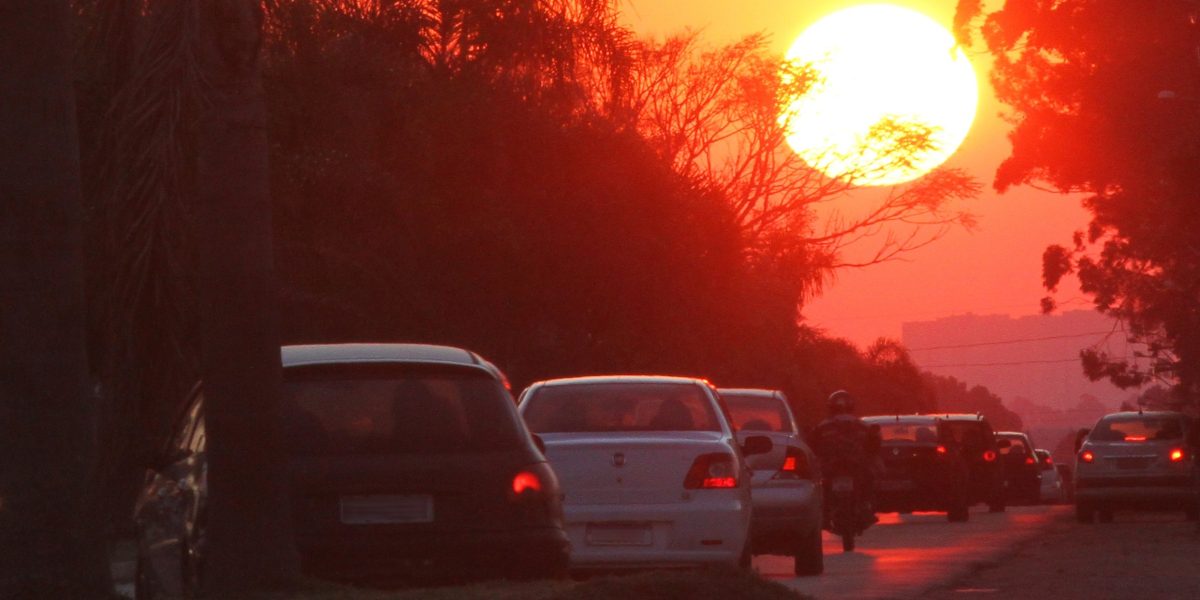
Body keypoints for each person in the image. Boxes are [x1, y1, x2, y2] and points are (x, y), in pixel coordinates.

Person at [811, 390, 880, 526]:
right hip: (846, 466)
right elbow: (874, 443)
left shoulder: (823, 426)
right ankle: (865, 507)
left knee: (869, 478)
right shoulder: (861, 425)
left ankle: (863, 507)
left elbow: (812, 443)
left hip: (839, 466)